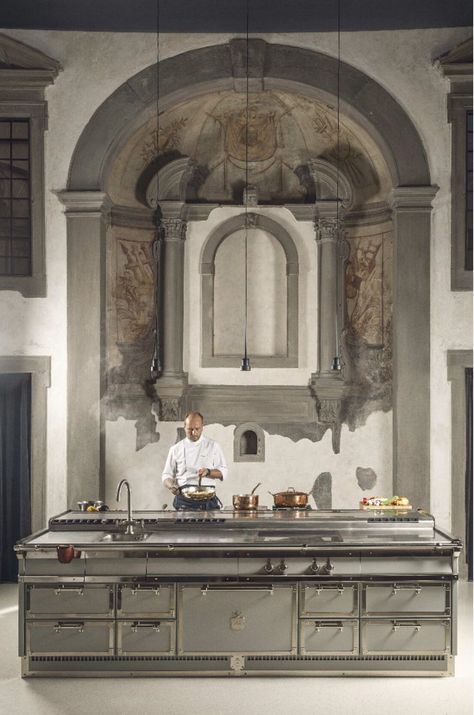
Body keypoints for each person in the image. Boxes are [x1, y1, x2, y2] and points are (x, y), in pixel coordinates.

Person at [162, 411, 228, 510]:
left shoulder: (213, 446)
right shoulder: (176, 449)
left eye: (197, 429)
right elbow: (166, 475)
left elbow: (223, 471)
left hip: (208, 500)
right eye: (190, 429)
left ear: (202, 427)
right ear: (184, 427)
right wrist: (171, 486)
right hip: (184, 500)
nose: (194, 433)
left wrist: (208, 472)